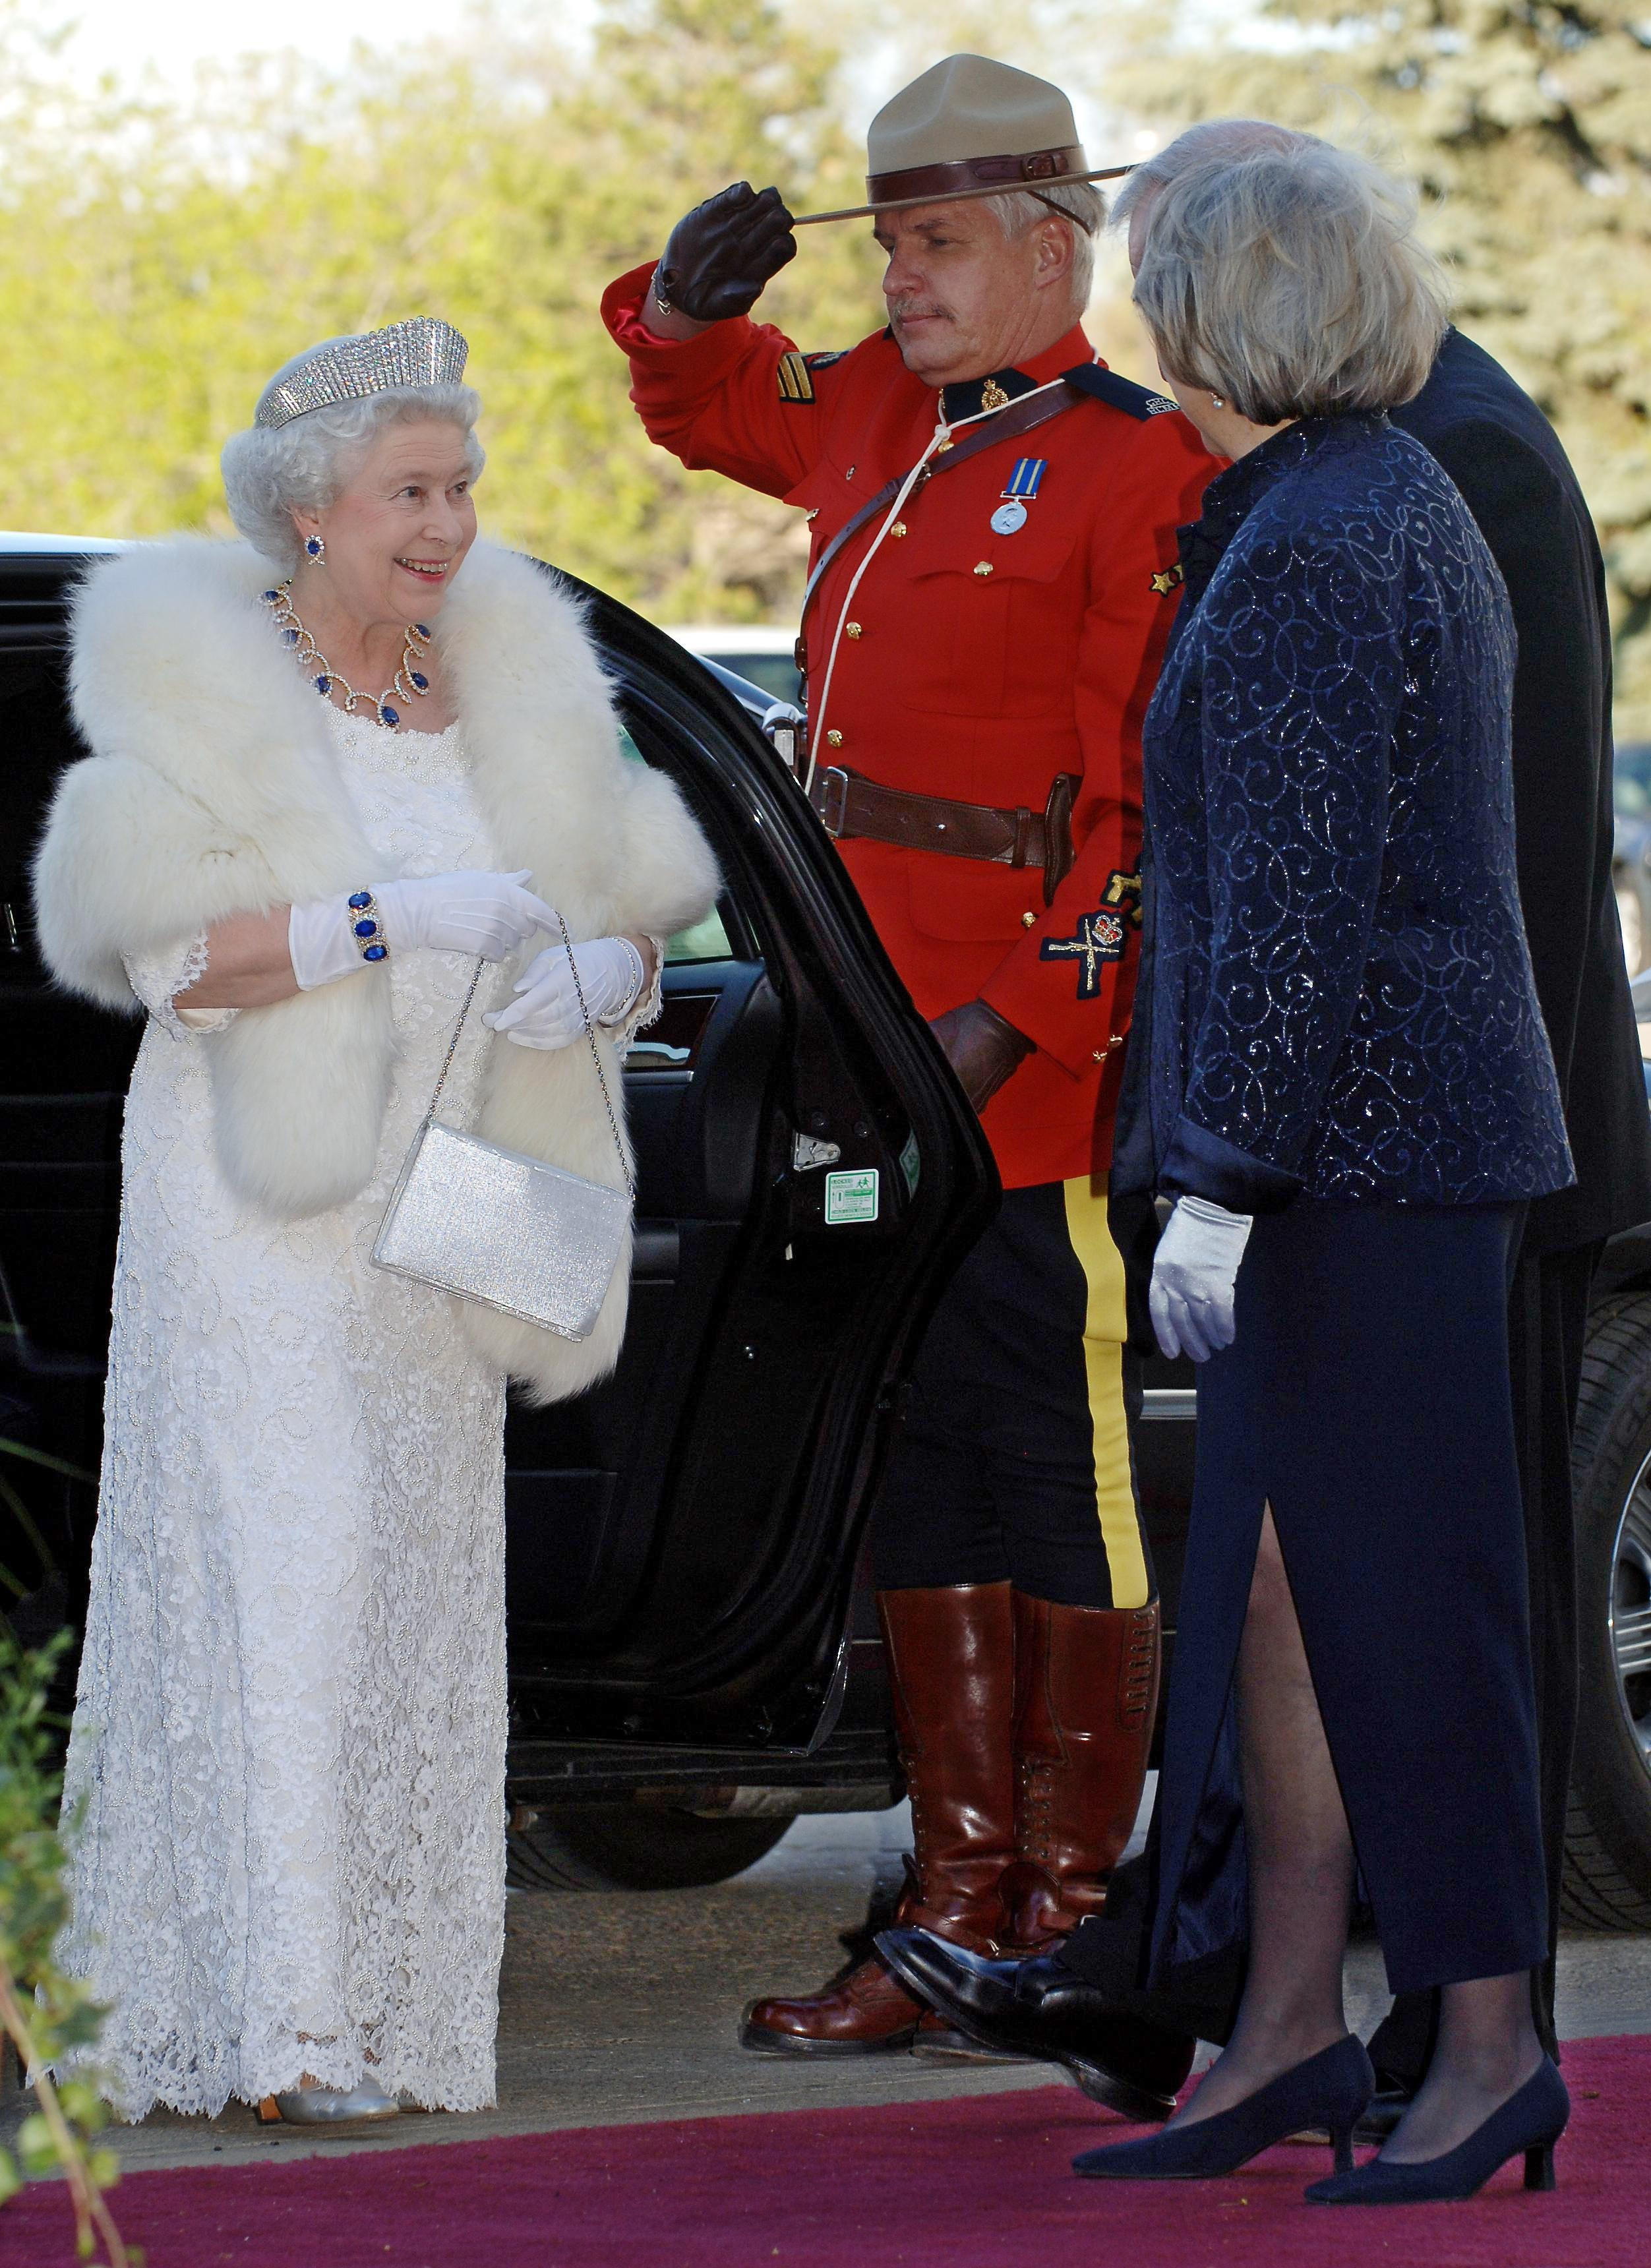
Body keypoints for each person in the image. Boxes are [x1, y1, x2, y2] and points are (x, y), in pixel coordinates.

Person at [879, 115, 1651, 2136]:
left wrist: (1217, 1179)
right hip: (1364, 1158)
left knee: (1413, 1611)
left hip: (1367, 1166)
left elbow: (1310, 911)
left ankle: (1484, 2057)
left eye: (1156, 278)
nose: (1137, 316)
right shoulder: (1334, 494)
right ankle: (1290, 2025)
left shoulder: (1330, 528)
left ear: (1230, 300)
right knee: (1297, 1604)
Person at [601, 53, 1220, 2057]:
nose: (903, 282)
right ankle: (954, 1911)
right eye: (887, 244)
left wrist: (1016, 1021)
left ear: (1059, 246)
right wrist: (686, 308)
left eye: (939, 242)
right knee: (915, 1476)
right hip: (860, 1049)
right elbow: (707, 408)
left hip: (1017, 1072)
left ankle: (1078, 1913)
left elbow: (1140, 812)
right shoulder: (876, 406)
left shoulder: (1149, 470)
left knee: (1059, 1478)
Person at [34, 320, 719, 2125]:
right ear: (310, 512)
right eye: (413, 491)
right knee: (300, 1559)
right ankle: (285, 2021)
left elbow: (637, 904)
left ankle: (383, 2008)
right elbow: (176, 961)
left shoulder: (511, 676)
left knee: (413, 1585)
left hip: (443, 1205)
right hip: (252, 1201)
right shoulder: (206, 686)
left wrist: (607, 969)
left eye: (463, 486)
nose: (449, 521)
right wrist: (402, 915)